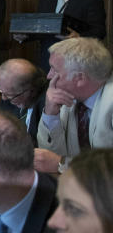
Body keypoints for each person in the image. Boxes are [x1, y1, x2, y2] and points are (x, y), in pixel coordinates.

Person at [36, 38, 113, 174]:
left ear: (80, 78)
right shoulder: (68, 99)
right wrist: (50, 115)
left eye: (54, 70)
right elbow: (48, 159)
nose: (48, 76)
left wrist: (62, 164)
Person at [29, 0, 106, 72]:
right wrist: (26, 36)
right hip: (48, 60)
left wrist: (79, 37)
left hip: (76, 60)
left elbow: (99, 31)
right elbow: (42, 30)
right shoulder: (45, 0)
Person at [0, 58, 48, 145]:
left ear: (31, 91)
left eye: (9, 95)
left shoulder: (47, 105)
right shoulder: (8, 99)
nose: (4, 98)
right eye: (1, 91)